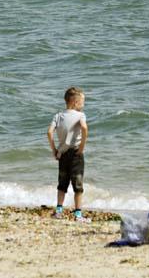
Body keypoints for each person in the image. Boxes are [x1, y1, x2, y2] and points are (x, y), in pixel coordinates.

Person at [47, 87, 88, 220]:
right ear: (75, 103)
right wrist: (82, 147)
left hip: (62, 154)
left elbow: (49, 132)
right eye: (82, 102)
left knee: (62, 184)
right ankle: (77, 214)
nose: (83, 105)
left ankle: (58, 211)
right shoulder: (80, 115)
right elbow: (84, 128)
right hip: (76, 154)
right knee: (78, 186)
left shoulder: (58, 116)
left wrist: (54, 150)